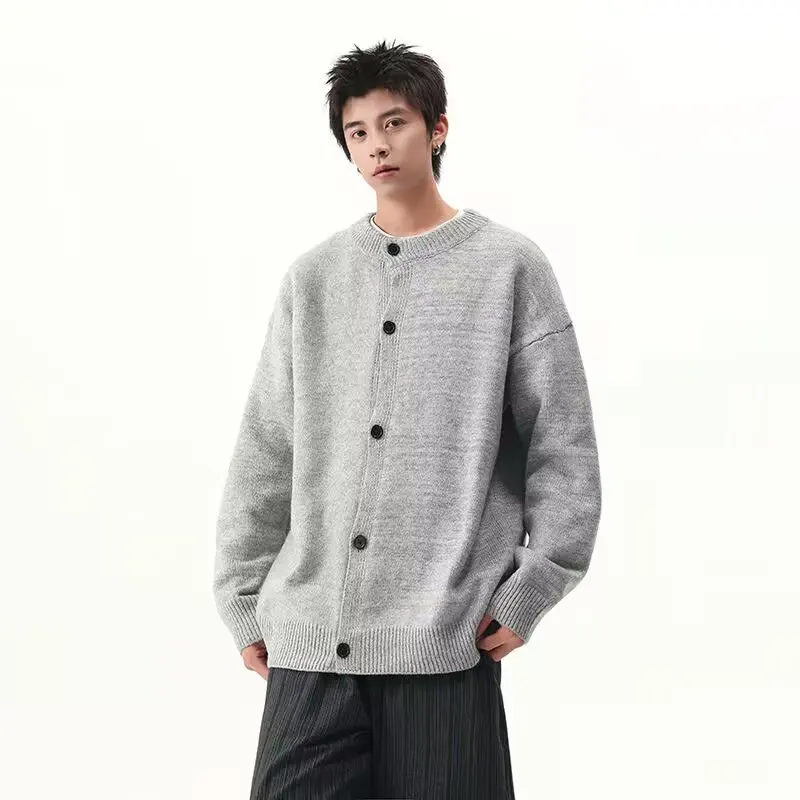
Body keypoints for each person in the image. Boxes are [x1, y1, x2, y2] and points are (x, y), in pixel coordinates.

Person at [212, 39, 602, 800]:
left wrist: (534, 585)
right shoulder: (314, 279)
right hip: (310, 643)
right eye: (357, 132)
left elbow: (563, 446)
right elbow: (267, 446)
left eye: (393, 123)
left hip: (445, 639)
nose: (377, 146)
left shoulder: (509, 268)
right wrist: (242, 595)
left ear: (437, 128)